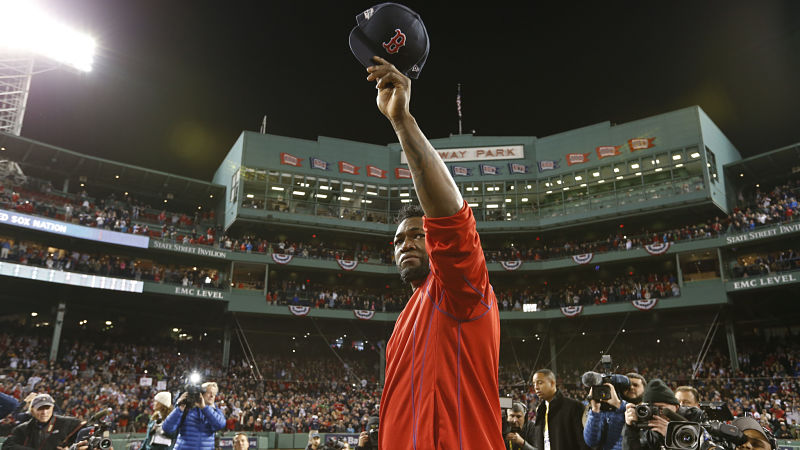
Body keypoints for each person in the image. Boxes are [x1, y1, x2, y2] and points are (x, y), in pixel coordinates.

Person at [366, 56, 503, 448]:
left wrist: (401, 121)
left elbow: (452, 220)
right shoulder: (402, 325)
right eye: (398, 241)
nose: (405, 244)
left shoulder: (460, 293)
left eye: (416, 235)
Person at [621, 379, 705, 450]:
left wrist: (672, 434)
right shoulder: (651, 431)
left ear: (676, 407)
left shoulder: (695, 416)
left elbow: (704, 444)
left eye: (660, 408)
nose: (657, 414)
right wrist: (630, 429)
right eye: (651, 409)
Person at [1, 393, 89, 450]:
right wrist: (25, 402)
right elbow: (7, 446)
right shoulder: (23, 428)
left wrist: (73, 447)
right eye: (40, 408)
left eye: (47, 408)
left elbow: (87, 434)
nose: (44, 412)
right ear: (32, 410)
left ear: (52, 408)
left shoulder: (68, 423)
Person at [532, 369, 590, 450]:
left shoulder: (574, 407)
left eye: (540, 383)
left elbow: (584, 443)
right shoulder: (540, 410)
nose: (536, 387)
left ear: (552, 383)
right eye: (534, 384)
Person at [162, 382, 225, 450]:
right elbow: (167, 428)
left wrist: (204, 408)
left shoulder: (215, 410)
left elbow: (220, 425)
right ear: (201, 393)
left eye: (214, 394)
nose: (212, 396)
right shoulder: (186, 408)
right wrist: (179, 408)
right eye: (209, 393)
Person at [583, 381, 627, 450]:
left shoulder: (630, 410)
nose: (632, 388)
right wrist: (595, 409)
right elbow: (591, 442)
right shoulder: (595, 411)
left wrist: (619, 405)